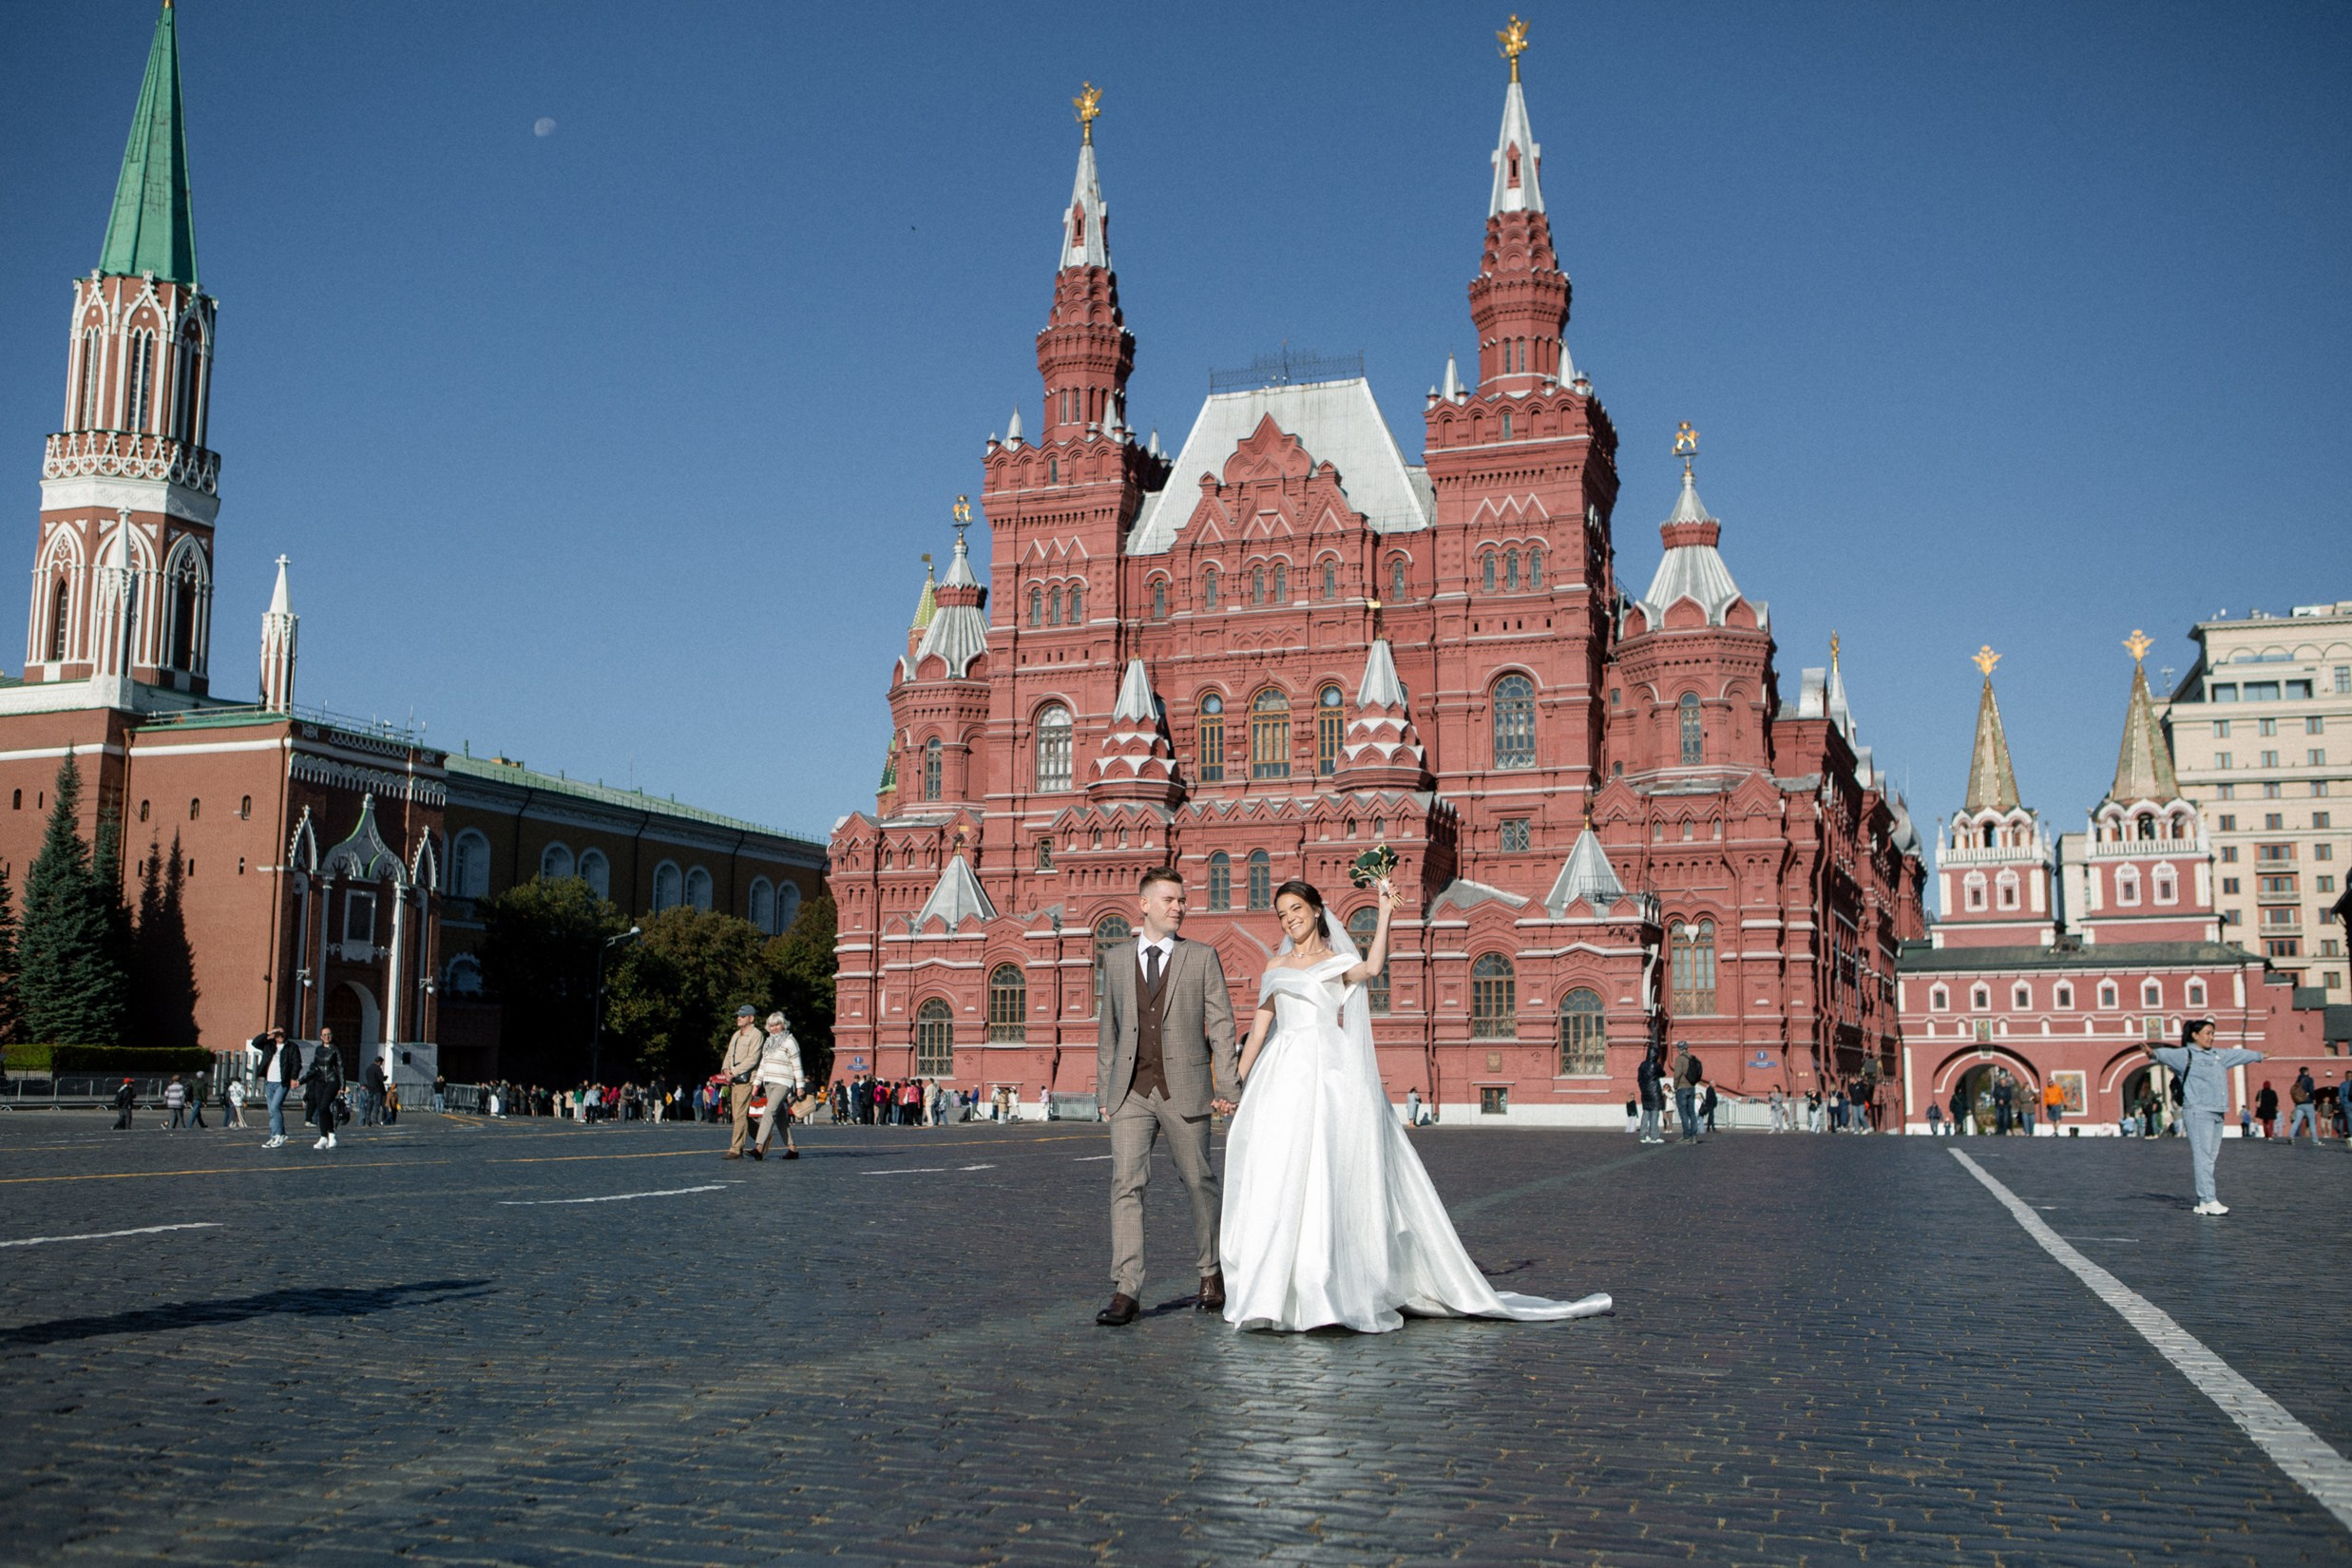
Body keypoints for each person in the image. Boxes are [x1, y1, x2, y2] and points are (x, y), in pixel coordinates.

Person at [1222, 877, 1611, 1333]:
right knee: (1278, 1173)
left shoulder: (1336, 962)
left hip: (1326, 1075)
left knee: (1323, 1172)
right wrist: (1238, 1077)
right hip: (1282, 1075)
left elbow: (1371, 968)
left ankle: (1323, 1283)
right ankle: (1274, 1291)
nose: (1290, 918)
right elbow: (1262, 1021)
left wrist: (1385, 912)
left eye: (1296, 908)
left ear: (1316, 908)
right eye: (1282, 913)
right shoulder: (1275, 964)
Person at [1094, 866, 1239, 1328]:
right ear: (1145, 904)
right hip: (1130, 1093)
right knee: (1126, 1185)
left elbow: (1221, 1026)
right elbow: (1108, 1031)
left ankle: (1210, 1271)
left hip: (1186, 1089)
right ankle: (1126, 1288)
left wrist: (1227, 1086)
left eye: (1182, 900)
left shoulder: (1201, 957)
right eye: (1170, 900)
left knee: (1199, 1181)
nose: (1180, 907)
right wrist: (1105, 1092)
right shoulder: (1116, 960)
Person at [2147, 1019, 2263, 1215]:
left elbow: (2239, 1054)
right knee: (2202, 1157)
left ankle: (2203, 1202)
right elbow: (2164, 1055)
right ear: (2195, 1035)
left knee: (2209, 1158)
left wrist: (2260, 1055)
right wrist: (2153, 1053)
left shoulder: (2219, 1055)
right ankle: (2208, 1199)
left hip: (2218, 1111)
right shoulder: (2186, 1055)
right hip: (2198, 1111)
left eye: (2213, 1033)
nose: (2211, 1037)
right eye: (2207, 1033)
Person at [752, 1011, 804, 1161]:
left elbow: (797, 1065)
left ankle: (759, 1147)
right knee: (780, 1117)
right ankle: (792, 1149)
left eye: (777, 1024)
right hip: (768, 1082)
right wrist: (757, 1083)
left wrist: (800, 1086)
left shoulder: (790, 1041)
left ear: (783, 1025)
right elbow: (763, 1064)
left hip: (783, 1082)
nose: (775, 1028)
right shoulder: (768, 1043)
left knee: (769, 1112)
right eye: (772, 1025)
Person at [721, 1005, 763, 1159]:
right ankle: (763, 1137)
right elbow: (728, 1055)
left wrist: (734, 1072)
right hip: (734, 1080)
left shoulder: (756, 1035)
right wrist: (726, 1069)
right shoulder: (736, 1035)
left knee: (739, 1114)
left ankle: (736, 1148)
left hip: (746, 1080)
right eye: (738, 1016)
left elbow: (753, 1058)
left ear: (751, 1018)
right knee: (738, 1114)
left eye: (743, 1016)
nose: (739, 1018)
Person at [254, 1029, 300, 1148]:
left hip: (282, 1082)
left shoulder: (291, 1047)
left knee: (275, 1107)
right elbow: (255, 1042)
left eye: (283, 1034)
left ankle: (279, 1134)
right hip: (269, 1082)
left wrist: (293, 1078)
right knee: (271, 1111)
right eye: (278, 1034)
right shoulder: (269, 1046)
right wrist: (269, 1032)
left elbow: (297, 1063)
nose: (281, 1036)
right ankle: (274, 1135)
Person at [303, 1030, 345, 1151]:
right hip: (320, 1082)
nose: (327, 1037)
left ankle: (329, 1135)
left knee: (323, 1106)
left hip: (332, 1081)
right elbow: (315, 1067)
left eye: (329, 1034)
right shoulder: (318, 1050)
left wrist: (342, 1087)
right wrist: (301, 1080)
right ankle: (325, 1136)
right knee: (322, 1108)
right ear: (321, 1037)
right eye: (325, 1035)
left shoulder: (336, 1049)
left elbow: (341, 1067)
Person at [1635, 1043, 1664, 1144]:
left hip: (1645, 1092)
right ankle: (1654, 1136)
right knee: (1654, 1114)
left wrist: (1643, 1088)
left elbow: (1639, 1079)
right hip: (1654, 1091)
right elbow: (1663, 1073)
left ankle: (1643, 1136)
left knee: (1646, 1113)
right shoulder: (1656, 1065)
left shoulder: (1642, 1065)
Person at [1674, 1046, 1702, 1141]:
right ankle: (1694, 1135)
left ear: (1679, 1049)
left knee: (1683, 1112)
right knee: (1692, 1112)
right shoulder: (1693, 1058)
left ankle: (1687, 1135)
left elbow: (1677, 1074)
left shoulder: (1680, 1059)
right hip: (1692, 1087)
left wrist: (1675, 1086)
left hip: (1682, 1088)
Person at [2285, 1068, 2320, 1144]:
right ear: (2306, 1072)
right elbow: (2311, 1090)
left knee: (2297, 1121)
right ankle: (2315, 1140)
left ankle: (2291, 1136)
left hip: (2299, 1104)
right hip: (2308, 1103)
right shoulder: (2309, 1079)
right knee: (2312, 1122)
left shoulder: (2298, 1081)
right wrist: (2314, 1098)